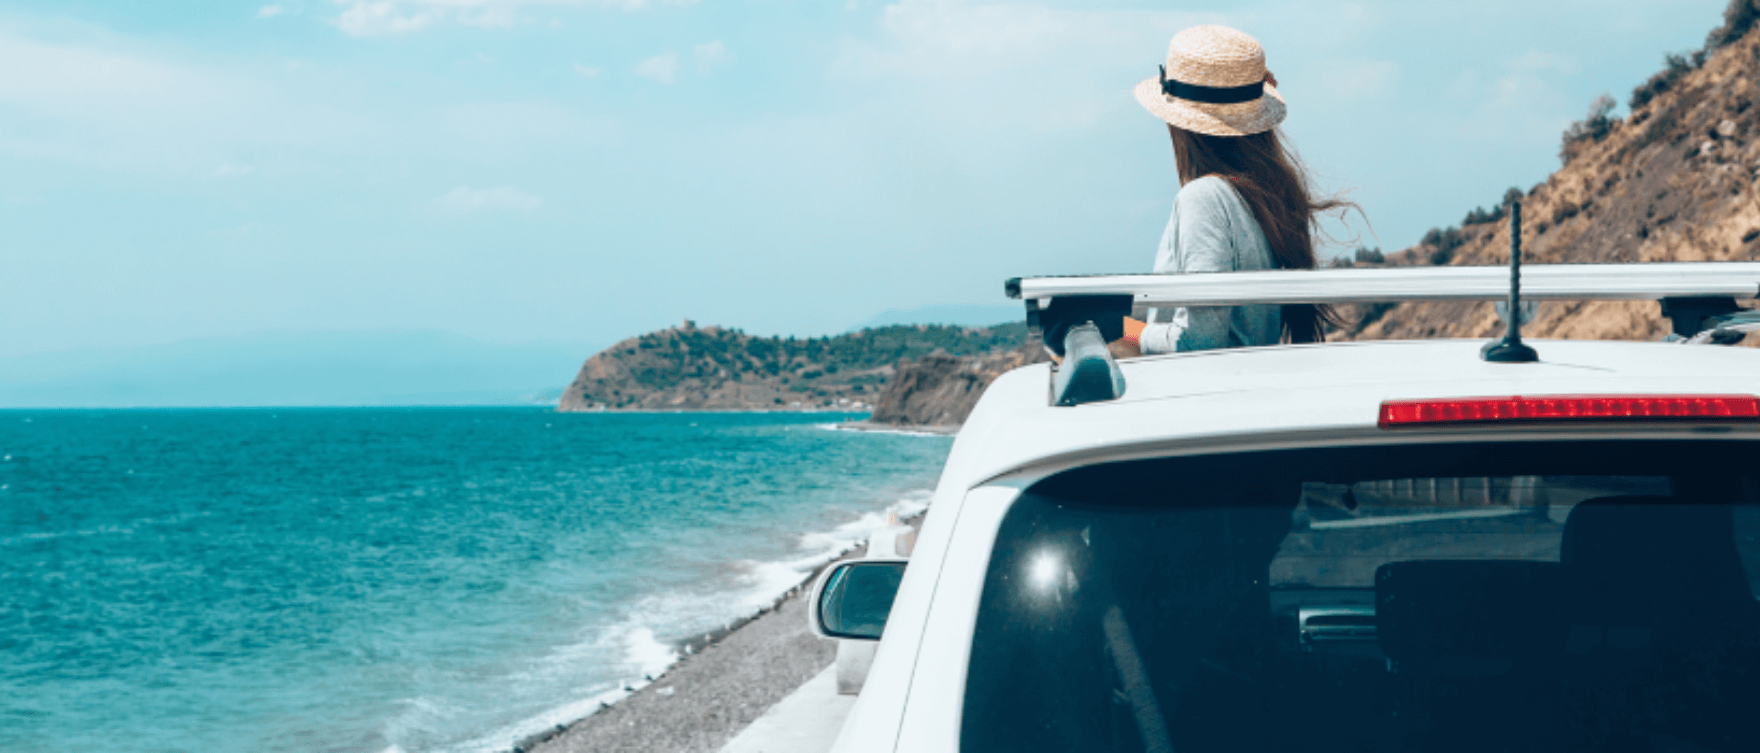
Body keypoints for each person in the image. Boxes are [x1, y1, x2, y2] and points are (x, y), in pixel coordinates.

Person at [1114, 25, 1355, 357]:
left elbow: (1199, 341)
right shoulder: (1265, 198)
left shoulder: (1204, 199)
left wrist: (1125, 332)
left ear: (1178, 123)